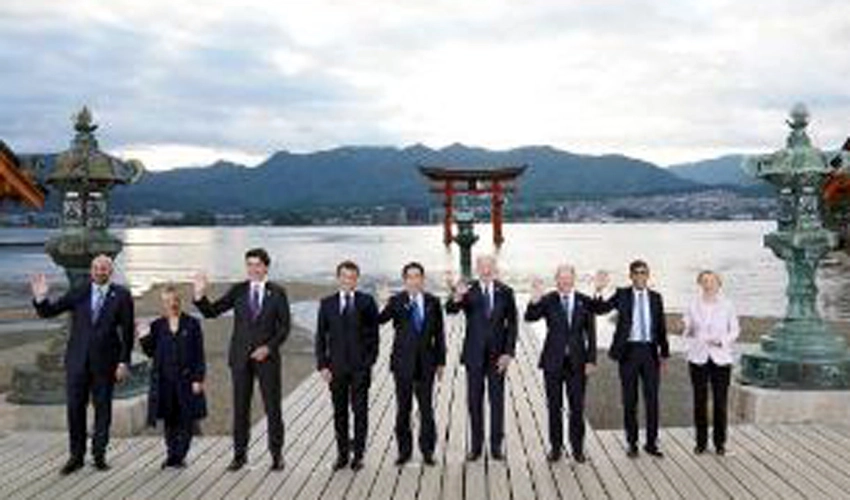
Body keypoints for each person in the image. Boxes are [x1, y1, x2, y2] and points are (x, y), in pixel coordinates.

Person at [30, 254, 135, 475]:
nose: (100, 271)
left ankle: (99, 455)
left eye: (104, 268)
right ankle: (76, 457)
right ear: (91, 270)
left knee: (103, 411)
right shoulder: (79, 292)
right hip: (77, 362)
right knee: (75, 410)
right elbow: (50, 311)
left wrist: (124, 362)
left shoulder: (122, 296)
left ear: (111, 271)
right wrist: (41, 299)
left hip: (106, 364)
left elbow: (127, 332)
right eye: (96, 268)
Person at [193, 247, 291, 471]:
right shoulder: (238, 290)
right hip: (240, 359)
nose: (253, 269)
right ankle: (239, 456)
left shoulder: (278, 293)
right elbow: (212, 311)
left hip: (267, 359)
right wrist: (199, 295)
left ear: (266, 267)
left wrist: (268, 347)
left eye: (257, 264)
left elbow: (284, 328)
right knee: (240, 408)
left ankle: (277, 455)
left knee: (273, 408)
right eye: (249, 264)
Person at [589, 260, 669, 458]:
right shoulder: (622, 295)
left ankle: (651, 443)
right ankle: (632, 443)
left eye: (644, 272)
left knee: (652, 400)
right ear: (631, 276)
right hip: (629, 352)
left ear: (648, 275)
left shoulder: (656, 298)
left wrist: (664, 354)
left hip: (650, 352)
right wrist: (598, 290)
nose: (641, 276)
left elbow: (661, 328)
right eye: (637, 273)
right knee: (629, 400)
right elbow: (600, 309)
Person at [445, 254, 518, 461]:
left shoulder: (505, 291)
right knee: (474, 402)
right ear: (477, 269)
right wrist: (457, 297)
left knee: (497, 402)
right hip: (474, 355)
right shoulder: (468, 289)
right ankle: (476, 446)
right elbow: (450, 310)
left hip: (498, 357)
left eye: (490, 266)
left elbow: (512, 324)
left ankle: (496, 446)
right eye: (482, 266)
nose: (486, 270)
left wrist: (508, 352)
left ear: (495, 268)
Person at [524, 264, 596, 463]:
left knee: (577, 408)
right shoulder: (549, 299)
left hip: (578, 363)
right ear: (556, 280)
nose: (565, 282)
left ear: (574, 279)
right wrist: (534, 299)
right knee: (554, 407)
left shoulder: (584, 301)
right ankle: (556, 448)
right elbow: (530, 317)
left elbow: (591, 332)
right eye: (561, 278)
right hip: (553, 362)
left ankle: (578, 449)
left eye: (568, 278)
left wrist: (591, 360)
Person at [377, 262, 446, 466]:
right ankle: (404, 452)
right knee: (403, 409)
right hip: (402, 364)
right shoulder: (396, 301)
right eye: (410, 277)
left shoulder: (433, 302)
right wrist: (382, 302)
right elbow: (380, 320)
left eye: (418, 277)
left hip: (427, 364)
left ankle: (427, 451)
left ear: (422, 279)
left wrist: (440, 362)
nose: (414, 281)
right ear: (405, 280)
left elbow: (439, 335)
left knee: (426, 409)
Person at [315, 260, 380, 471]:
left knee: (360, 411)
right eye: (344, 276)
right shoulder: (327, 303)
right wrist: (322, 365)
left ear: (356, 280)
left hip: (360, 367)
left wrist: (369, 361)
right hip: (336, 368)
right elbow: (320, 337)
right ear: (338, 278)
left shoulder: (367, 301)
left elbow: (374, 335)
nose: (348, 281)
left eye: (352, 277)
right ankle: (342, 455)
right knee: (340, 412)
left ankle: (358, 455)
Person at [138, 285, 207, 468]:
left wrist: (198, 379)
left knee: (187, 419)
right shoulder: (157, 326)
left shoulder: (192, 324)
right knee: (169, 419)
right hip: (165, 381)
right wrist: (143, 337)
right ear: (163, 303)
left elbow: (199, 354)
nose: (172, 304)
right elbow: (151, 352)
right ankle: (171, 455)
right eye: (168, 301)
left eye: (175, 300)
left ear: (180, 301)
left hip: (186, 380)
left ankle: (180, 456)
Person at [683, 270, 739, 456]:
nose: (708, 284)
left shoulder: (728, 305)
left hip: (721, 358)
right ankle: (700, 443)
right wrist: (686, 328)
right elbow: (688, 327)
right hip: (698, 357)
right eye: (704, 281)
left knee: (720, 402)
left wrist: (722, 341)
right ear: (700, 283)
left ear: (718, 283)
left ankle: (720, 443)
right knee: (699, 401)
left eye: (712, 281)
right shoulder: (693, 304)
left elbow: (735, 330)